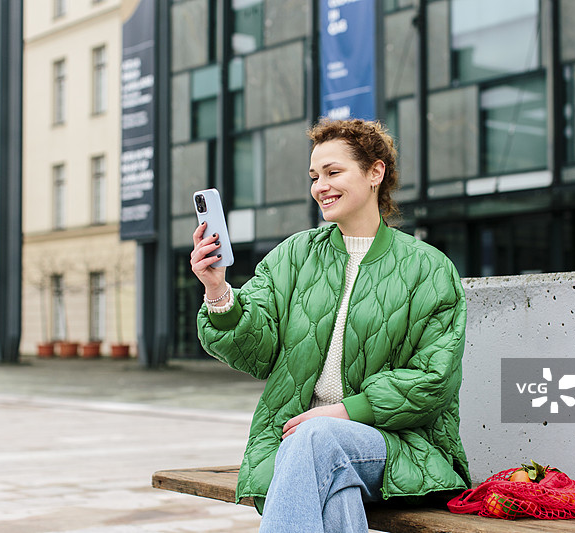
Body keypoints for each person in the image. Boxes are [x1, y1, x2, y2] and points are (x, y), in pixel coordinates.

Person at [190, 118, 470, 533]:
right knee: (334, 484)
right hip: (301, 445)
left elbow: (435, 379)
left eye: (333, 172)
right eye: (314, 176)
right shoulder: (294, 255)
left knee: (319, 439)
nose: (320, 186)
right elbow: (257, 354)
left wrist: (345, 412)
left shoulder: (429, 268)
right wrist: (217, 290)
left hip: (400, 445)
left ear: (375, 172)